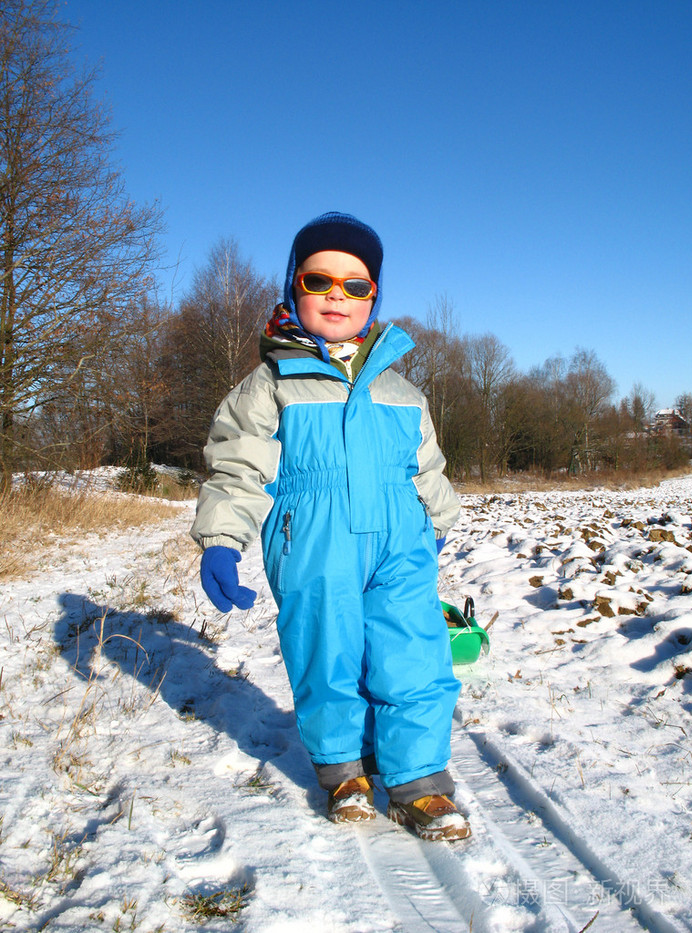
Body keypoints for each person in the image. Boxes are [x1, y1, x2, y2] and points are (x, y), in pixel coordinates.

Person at [190, 212, 469, 841]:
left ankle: (419, 782)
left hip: (399, 541)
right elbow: (237, 464)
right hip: (312, 540)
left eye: (356, 284)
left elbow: (428, 465)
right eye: (320, 281)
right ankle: (344, 770)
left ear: (375, 297)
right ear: (294, 288)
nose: (337, 296)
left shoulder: (403, 390)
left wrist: (440, 522)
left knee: (414, 657)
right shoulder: (270, 384)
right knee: (326, 654)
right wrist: (222, 539)